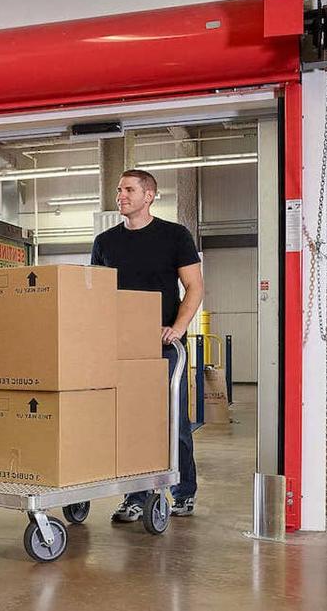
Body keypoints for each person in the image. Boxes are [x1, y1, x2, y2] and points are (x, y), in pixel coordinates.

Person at [91, 169, 204, 519]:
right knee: (131, 422)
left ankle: (182, 490)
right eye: (118, 189)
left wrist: (177, 327)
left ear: (149, 195)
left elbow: (195, 286)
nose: (120, 195)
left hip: (164, 346)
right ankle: (136, 497)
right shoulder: (106, 242)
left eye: (128, 189)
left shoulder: (174, 236)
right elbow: (97, 294)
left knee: (173, 422)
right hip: (122, 346)